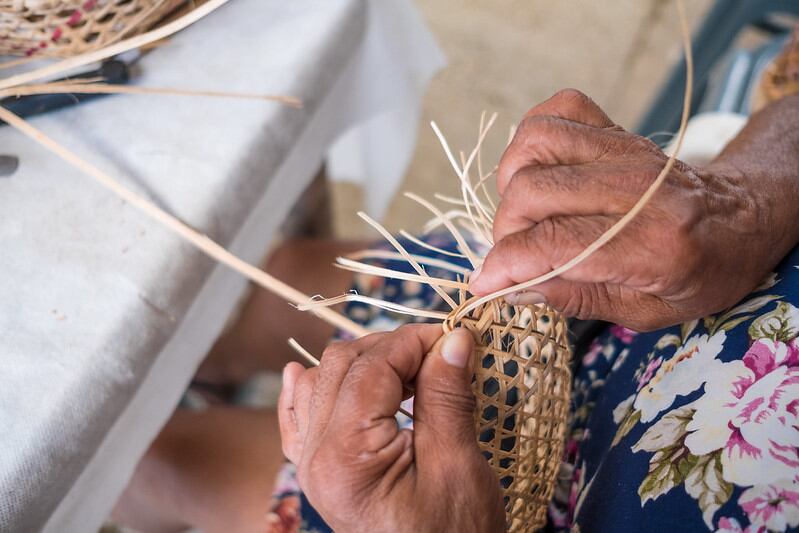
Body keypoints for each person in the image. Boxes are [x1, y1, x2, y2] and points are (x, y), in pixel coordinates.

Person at [113, 51, 799, 533]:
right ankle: (210, 367)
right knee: (275, 282)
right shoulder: (728, 217)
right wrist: (747, 200)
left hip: (480, 509)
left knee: (155, 459)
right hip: (622, 276)